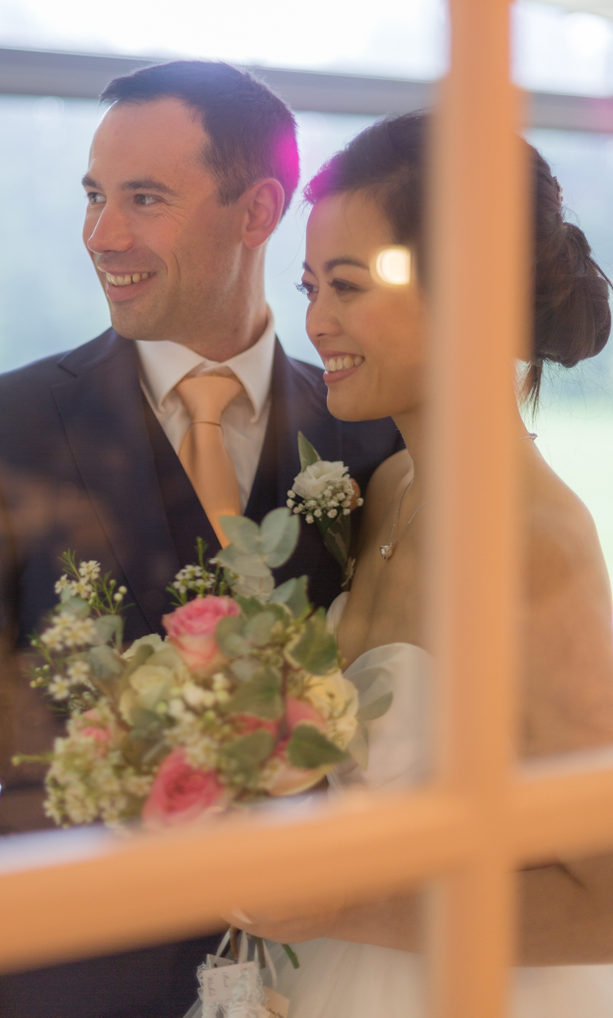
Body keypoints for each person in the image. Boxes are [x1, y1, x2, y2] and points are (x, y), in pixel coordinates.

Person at [0, 62, 403, 1018]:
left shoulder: (372, 435)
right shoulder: (3, 427)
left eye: (144, 199)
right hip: (65, 985)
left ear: (258, 209)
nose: (103, 236)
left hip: (317, 980)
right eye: (94, 197)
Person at [227, 112, 613, 1017]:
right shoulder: (388, 486)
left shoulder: (535, 547)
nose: (315, 322)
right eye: (310, 285)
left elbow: (607, 904)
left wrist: (338, 903)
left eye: (349, 287)